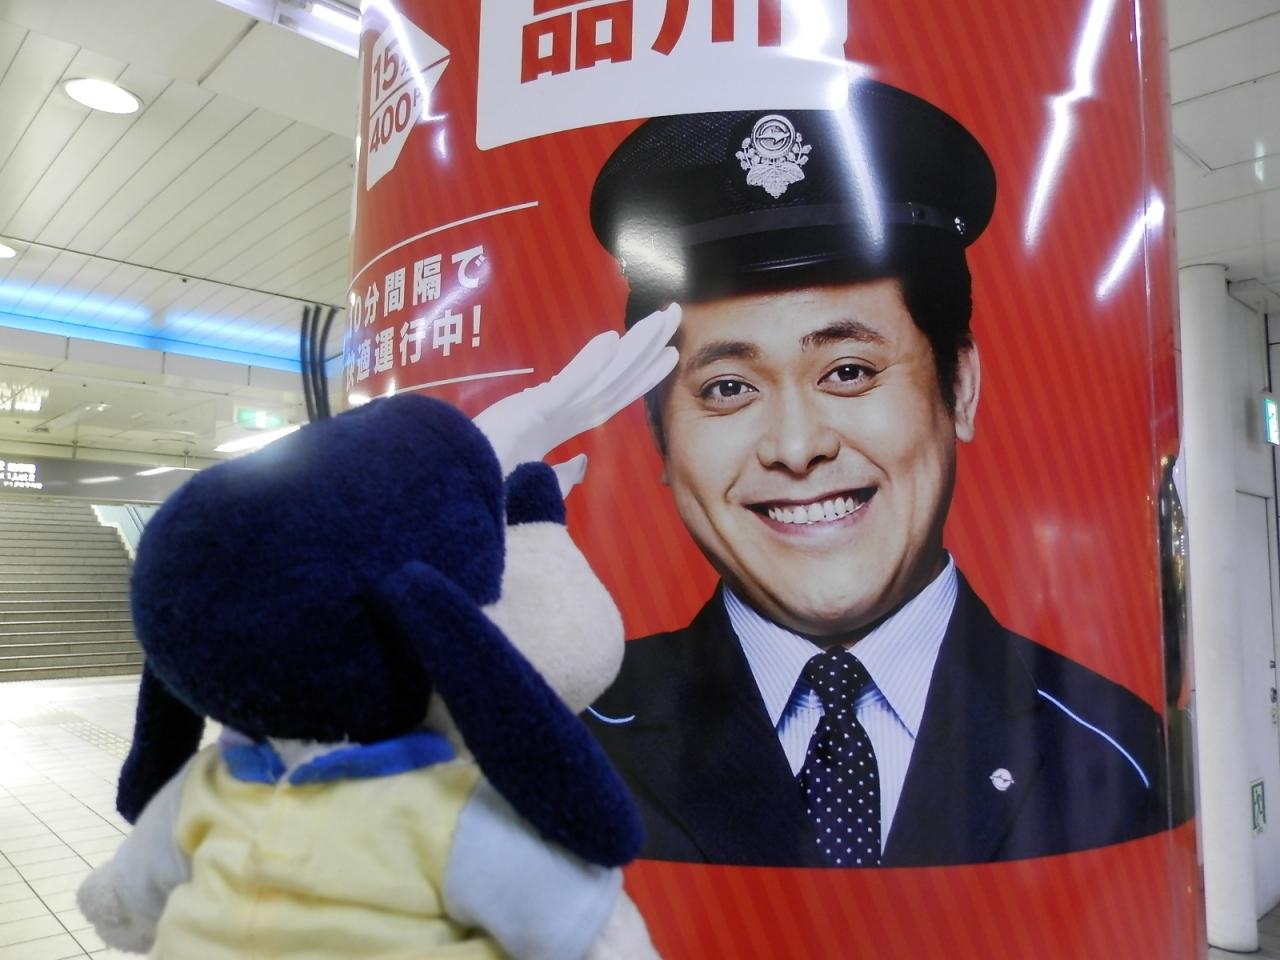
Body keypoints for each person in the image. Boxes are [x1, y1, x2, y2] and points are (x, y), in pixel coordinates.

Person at [585, 80, 1171, 868]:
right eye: (727, 388)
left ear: (959, 386)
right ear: (658, 430)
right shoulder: (572, 741)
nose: (796, 447)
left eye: (850, 371)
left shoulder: (1117, 753)